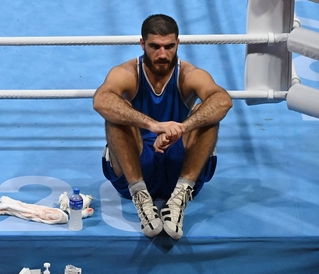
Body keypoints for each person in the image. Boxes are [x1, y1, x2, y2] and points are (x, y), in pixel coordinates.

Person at [93, 14, 232, 240]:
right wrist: (153, 125)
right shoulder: (127, 73)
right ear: (142, 44)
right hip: (135, 163)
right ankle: (141, 196)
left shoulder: (189, 74)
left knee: (206, 114)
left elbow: (223, 101)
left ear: (178, 43)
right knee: (116, 114)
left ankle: (179, 197)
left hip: (180, 164)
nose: (162, 54)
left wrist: (181, 128)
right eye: (154, 47)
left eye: (169, 47)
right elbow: (101, 101)